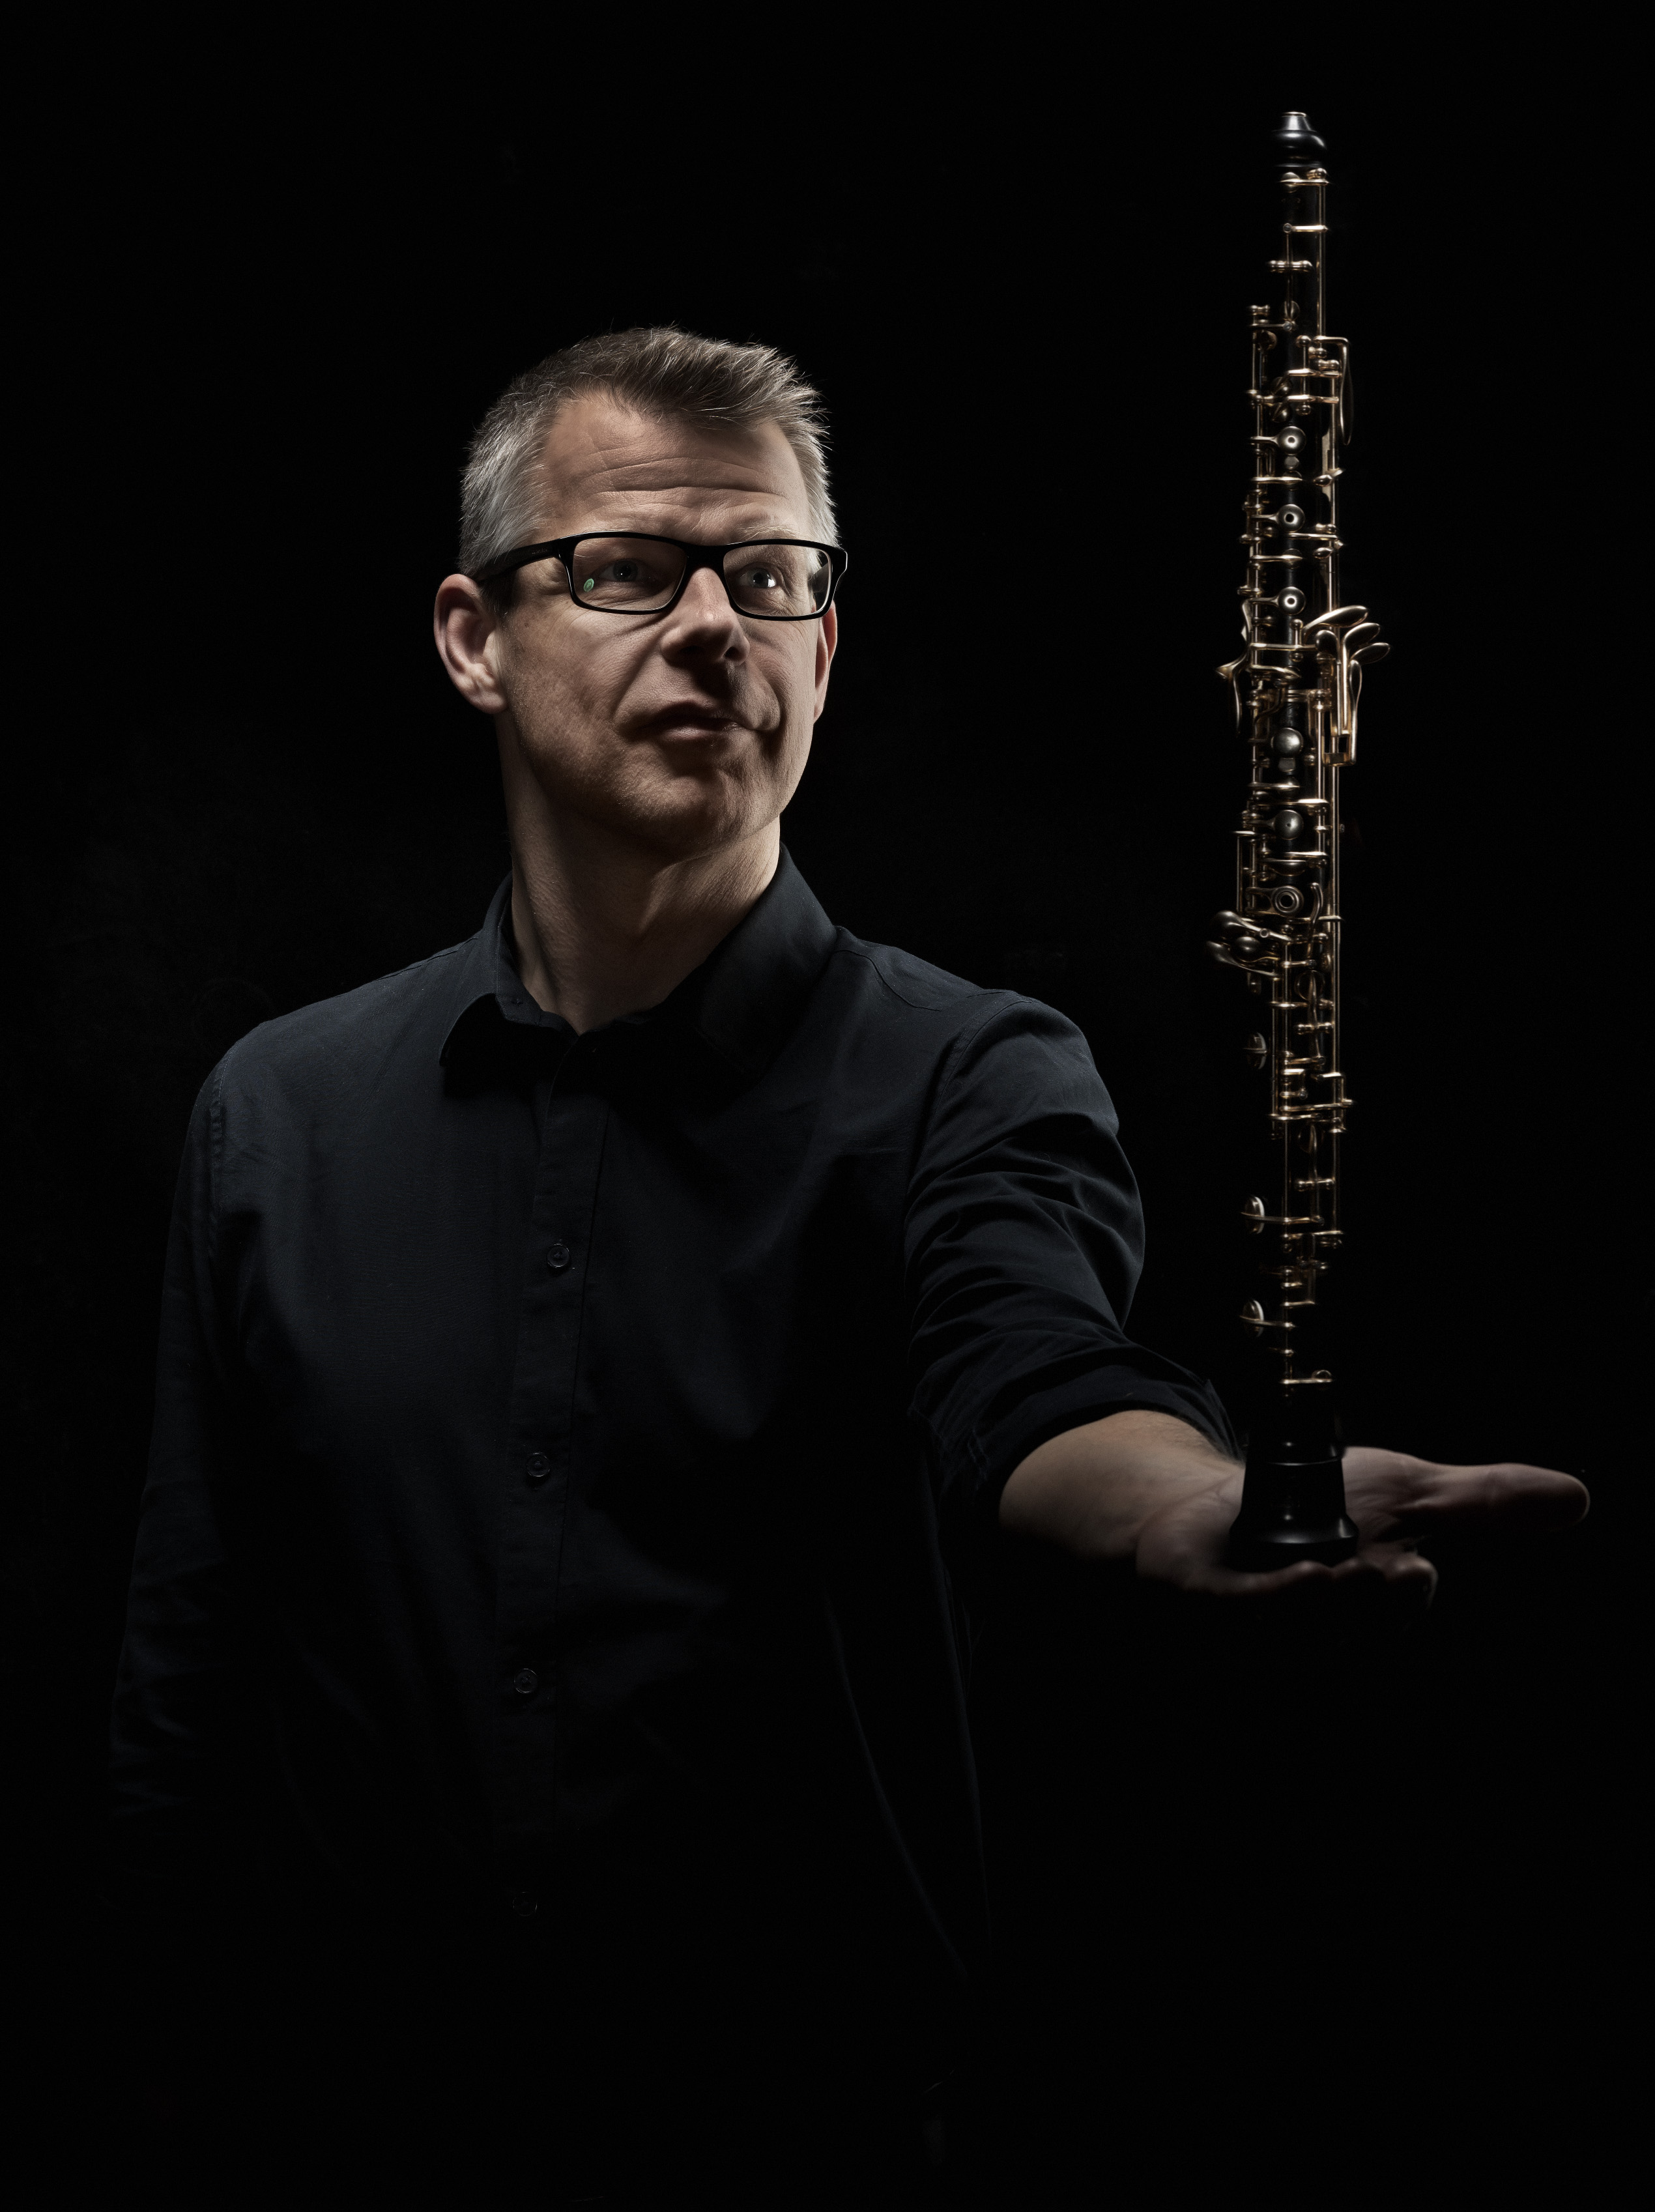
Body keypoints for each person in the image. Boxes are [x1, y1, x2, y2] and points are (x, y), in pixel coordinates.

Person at [111, 328, 1585, 2206]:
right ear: (474, 638)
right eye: (628, 568)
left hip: (807, 2146)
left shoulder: (972, 1075)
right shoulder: (275, 1111)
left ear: (824, 646)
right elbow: (192, 1665)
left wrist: (1182, 1505)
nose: (715, 627)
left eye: (774, 577)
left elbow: (1030, 1373)